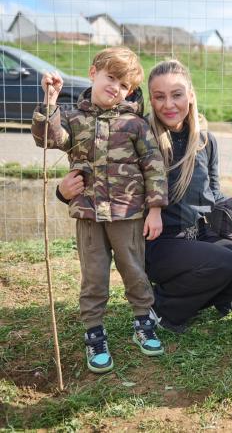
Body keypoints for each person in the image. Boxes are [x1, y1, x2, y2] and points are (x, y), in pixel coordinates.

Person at [58, 60, 232, 335]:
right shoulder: (141, 136)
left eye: (177, 94)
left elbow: (212, 193)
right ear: (150, 99)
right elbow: (106, 182)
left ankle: (193, 297)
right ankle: (164, 309)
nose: (169, 104)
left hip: (199, 235)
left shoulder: (206, 141)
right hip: (158, 241)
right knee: (221, 262)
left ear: (191, 95)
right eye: (159, 97)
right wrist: (62, 193)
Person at [32, 47, 168, 374]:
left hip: (128, 215)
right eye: (111, 78)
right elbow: (48, 139)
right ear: (94, 72)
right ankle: (94, 330)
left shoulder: (135, 124)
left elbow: (154, 167)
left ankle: (143, 321)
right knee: (93, 276)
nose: (116, 88)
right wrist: (50, 102)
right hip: (89, 215)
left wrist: (155, 209)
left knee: (134, 269)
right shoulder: (75, 119)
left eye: (123, 85)